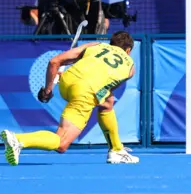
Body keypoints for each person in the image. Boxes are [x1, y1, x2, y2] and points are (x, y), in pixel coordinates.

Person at [1, 31, 139, 165]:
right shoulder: (130, 68)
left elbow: (55, 62)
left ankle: (116, 149)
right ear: (128, 51)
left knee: (108, 102)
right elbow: (105, 88)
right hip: (85, 92)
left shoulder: (95, 46)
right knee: (62, 143)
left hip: (67, 80)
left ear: (111, 43)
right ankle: (18, 139)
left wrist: (48, 90)